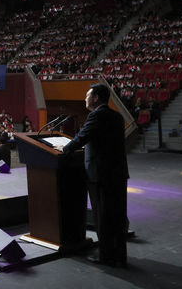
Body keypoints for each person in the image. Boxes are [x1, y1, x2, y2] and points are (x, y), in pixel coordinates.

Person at [56, 83, 129, 268]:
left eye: (87, 95)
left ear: (96, 97)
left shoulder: (97, 115)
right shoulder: (117, 116)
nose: (85, 98)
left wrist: (65, 148)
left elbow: (82, 137)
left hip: (101, 175)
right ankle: (119, 255)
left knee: (103, 217)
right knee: (118, 217)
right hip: (118, 173)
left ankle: (106, 256)